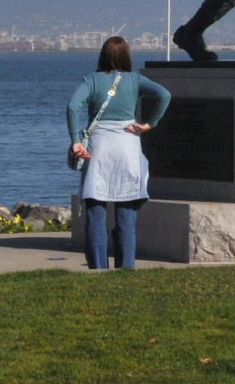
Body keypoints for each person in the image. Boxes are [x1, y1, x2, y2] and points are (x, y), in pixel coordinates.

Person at [67, 37, 171, 269]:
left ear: (103, 56)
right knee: (126, 217)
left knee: (96, 215)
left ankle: (98, 268)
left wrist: (76, 142)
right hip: (128, 149)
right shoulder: (135, 80)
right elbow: (164, 95)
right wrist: (149, 124)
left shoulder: (92, 80)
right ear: (126, 56)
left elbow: (73, 106)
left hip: (99, 151)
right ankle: (126, 268)